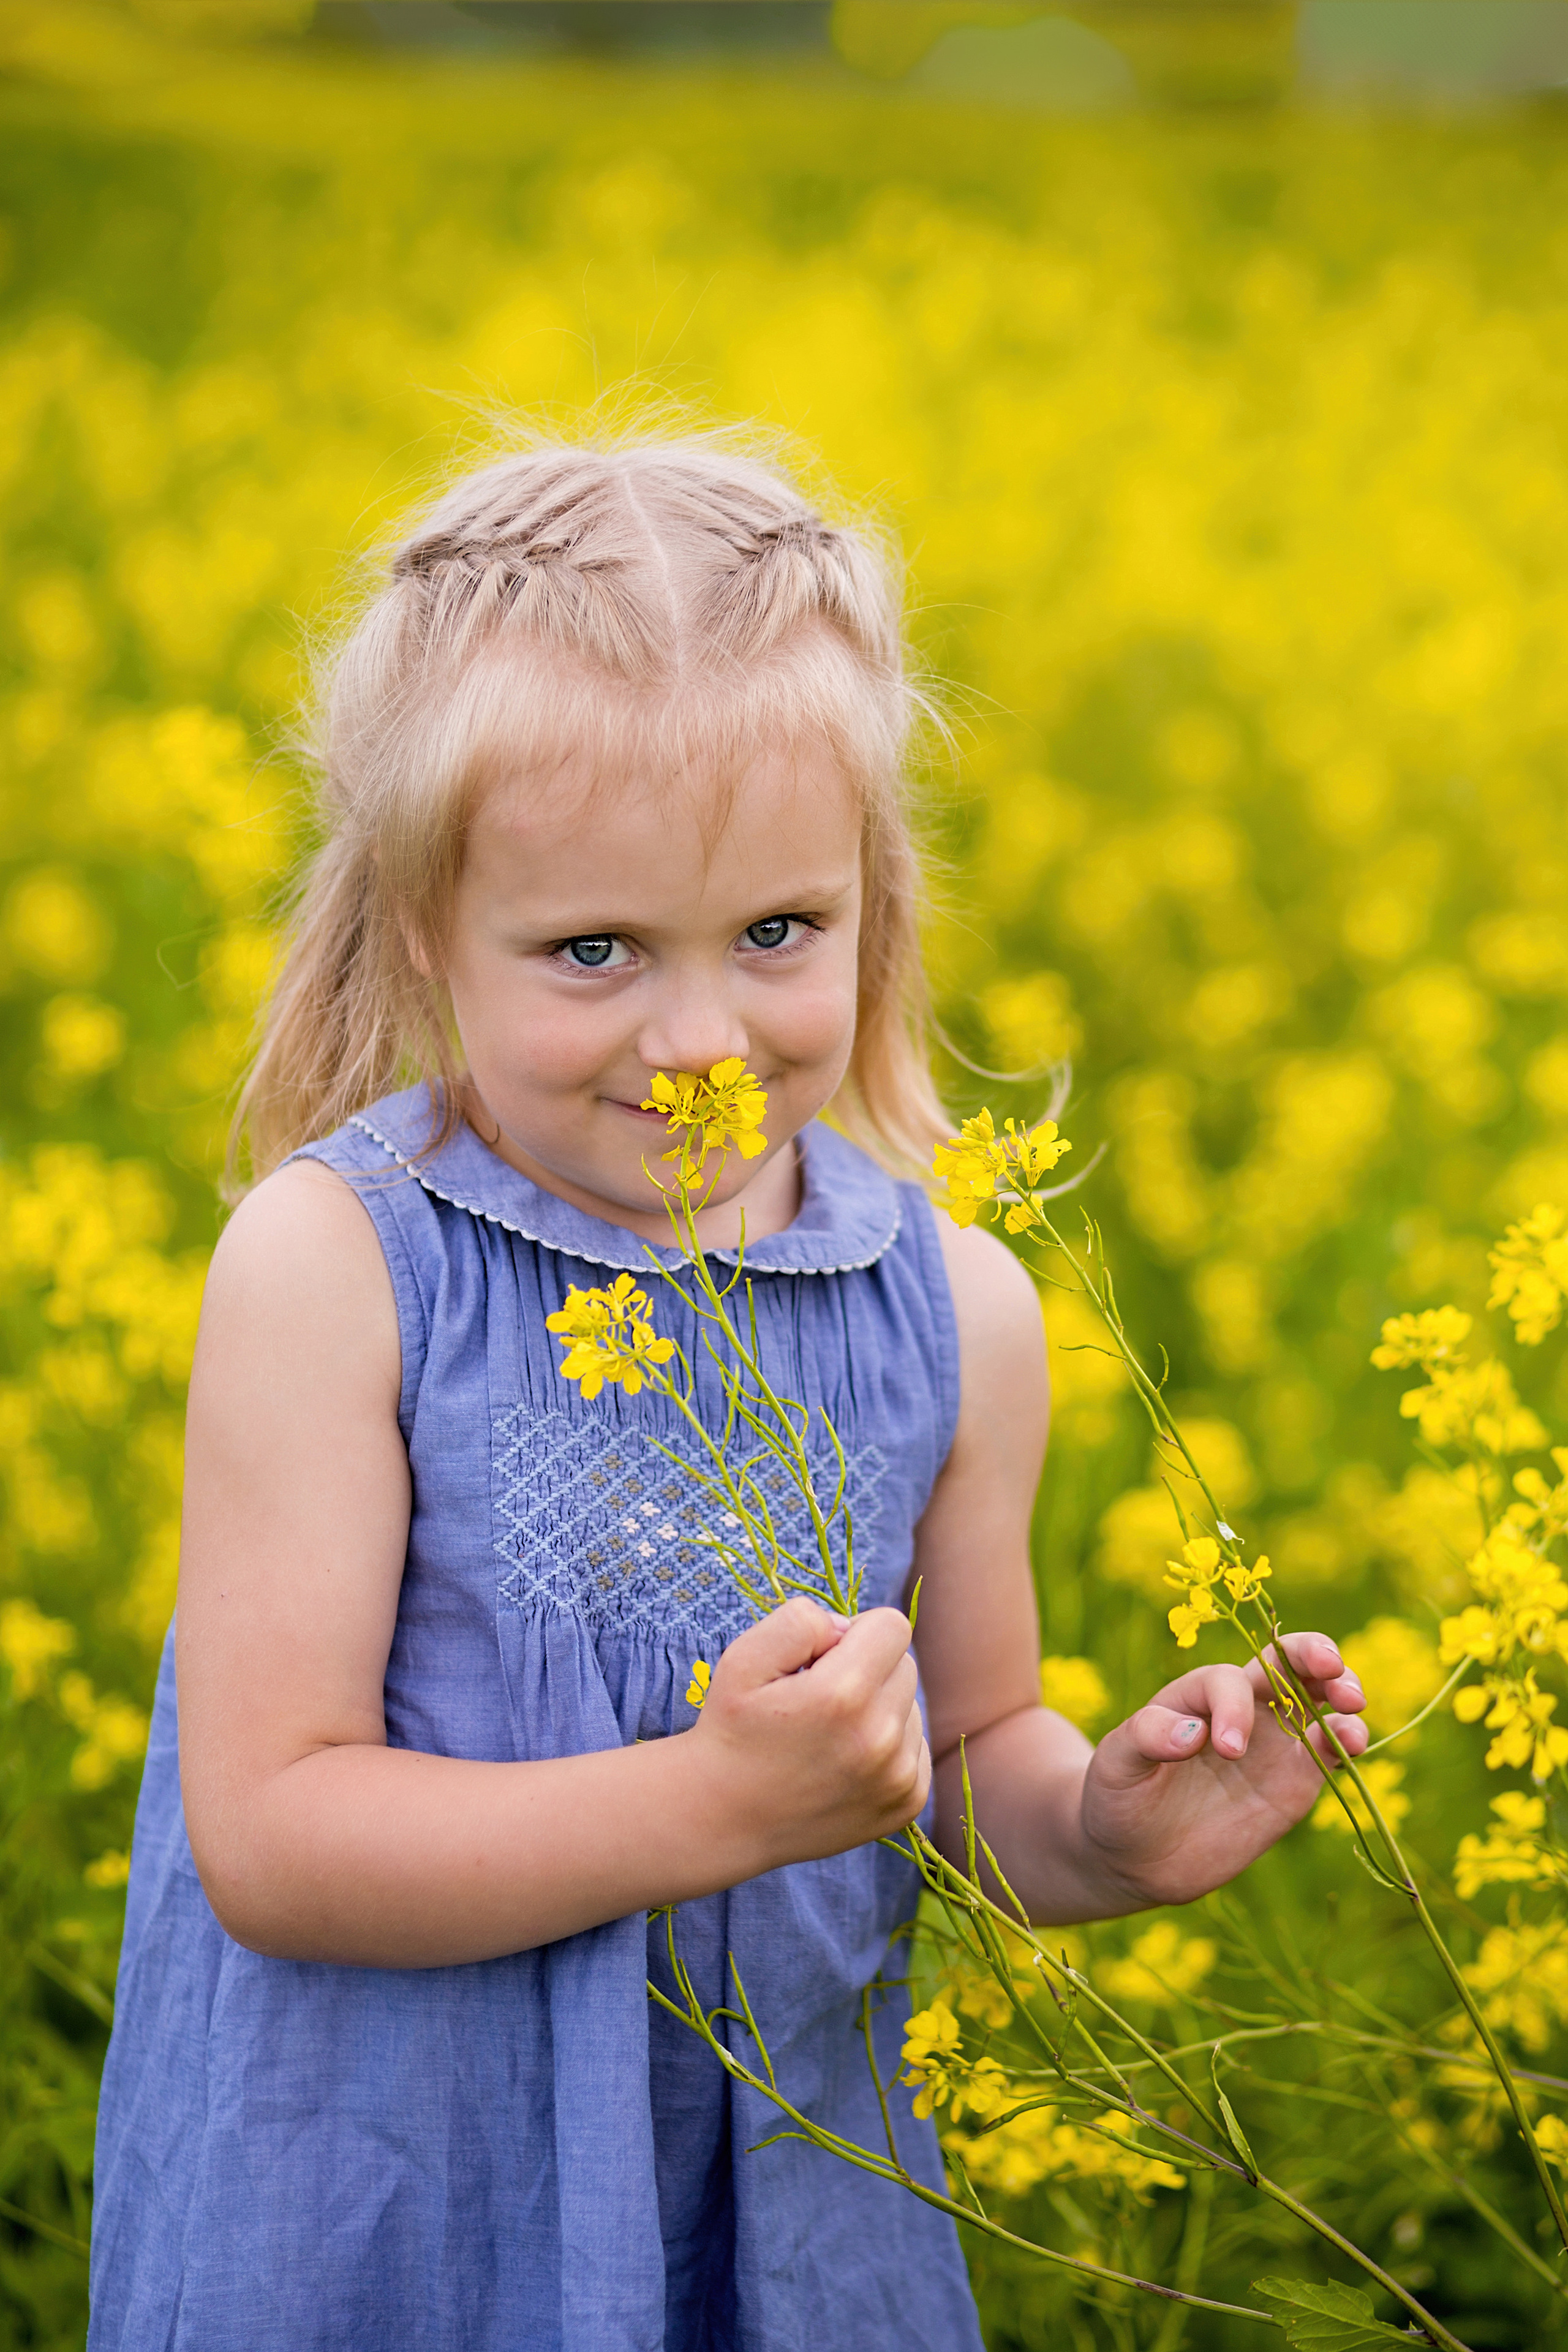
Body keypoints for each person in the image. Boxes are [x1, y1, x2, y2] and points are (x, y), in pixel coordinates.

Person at [89, 429, 1368, 2352]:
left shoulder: (957, 1307)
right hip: (402, 2216)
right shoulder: (340, 1266)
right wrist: (711, 1801)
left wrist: (1099, 1834)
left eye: (779, 935)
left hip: (777, 2229)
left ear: (877, 902)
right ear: (426, 931)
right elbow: (274, 1843)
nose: (699, 1044)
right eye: (592, 950)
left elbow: (953, 1759)